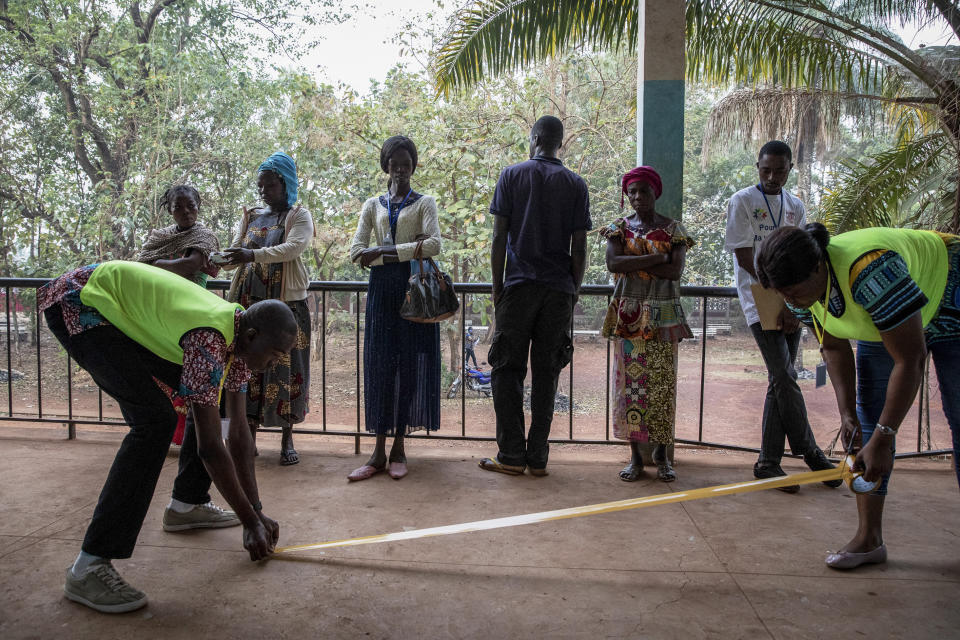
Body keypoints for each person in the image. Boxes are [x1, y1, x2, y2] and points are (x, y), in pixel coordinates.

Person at [38, 260, 294, 613]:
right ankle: (89, 566)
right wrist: (249, 522)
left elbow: (237, 434)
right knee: (154, 422)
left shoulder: (238, 340)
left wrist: (257, 511)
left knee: (208, 401)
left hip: (109, 305)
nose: (276, 362)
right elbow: (209, 447)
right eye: (276, 353)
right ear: (253, 337)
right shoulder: (210, 339)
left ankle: (186, 504)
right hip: (81, 302)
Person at [756, 223, 960, 569]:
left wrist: (886, 434)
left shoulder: (871, 273)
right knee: (867, 420)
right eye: (782, 293)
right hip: (887, 314)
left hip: (950, 291)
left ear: (818, 267)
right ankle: (869, 539)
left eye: (791, 291)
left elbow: (910, 359)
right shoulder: (800, 292)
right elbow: (833, 346)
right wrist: (847, 413)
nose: (788, 300)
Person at [724, 140, 838, 492]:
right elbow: (744, 256)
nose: (772, 177)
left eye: (780, 170)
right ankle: (810, 451)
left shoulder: (796, 206)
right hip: (759, 297)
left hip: (792, 297)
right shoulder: (742, 201)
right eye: (766, 170)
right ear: (757, 166)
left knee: (781, 378)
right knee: (784, 375)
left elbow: (802, 256)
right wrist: (778, 295)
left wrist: (792, 305)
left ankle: (768, 463)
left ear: (790, 169)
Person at [479, 115, 590, 477]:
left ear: (535, 138)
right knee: (548, 372)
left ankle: (511, 454)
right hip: (558, 291)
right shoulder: (576, 184)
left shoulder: (511, 176)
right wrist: (572, 291)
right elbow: (580, 248)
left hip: (519, 287)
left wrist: (498, 290)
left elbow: (499, 238)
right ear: (559, 143)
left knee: (506, 370)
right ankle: (538, 457)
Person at [137, 184, 239, 531]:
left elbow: (191, 264)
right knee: (203, 406)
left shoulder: (204, 235)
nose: (186, 212)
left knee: (204, 407)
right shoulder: (159, 236)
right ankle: (188, 501)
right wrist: (172, 263)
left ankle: (189, 498)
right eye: (179, 207)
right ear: (170, 210)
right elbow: (143, 263)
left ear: (199, 207)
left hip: (190, 319)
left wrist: (159, 265)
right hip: (168, 322)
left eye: (191, 206)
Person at [347, 135, 442, 481]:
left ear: (413, 166)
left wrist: (386, 253)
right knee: (381, 367)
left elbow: (434, 244)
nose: (400, 169)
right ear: (385, 165)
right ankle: (377, 452)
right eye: (394, 163)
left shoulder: (425, 202)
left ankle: (400, 446)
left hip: (413, 290)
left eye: (406, 164)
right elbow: (357, 250)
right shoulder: (373, 204)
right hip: (382, 293)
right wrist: (403, 248)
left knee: (408, 369)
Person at [600, 166, 694, 483]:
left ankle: (662, 457)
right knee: (631, 388)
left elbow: (675, 273)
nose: (638, 197)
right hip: (629, 316)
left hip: (663, 317)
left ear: (655, 192)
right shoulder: (619, 228)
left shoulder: (674, 230)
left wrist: (634, 261)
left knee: (662, 388)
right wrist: (657, 258)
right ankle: (636, 459)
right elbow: (614, 263)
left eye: (643, 191)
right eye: (632, 192)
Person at [222, 151, 314, 466]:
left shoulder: (298, 215)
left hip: (287, 304)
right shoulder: (250, 214)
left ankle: (287, 439)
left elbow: (293, 249)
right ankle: (248, 436)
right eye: (261, 186)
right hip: (249, 301)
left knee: (288, 369)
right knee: (246, 365)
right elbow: (239, 246)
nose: (264, 192)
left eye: (271, 185)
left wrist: (251, 256)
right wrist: (229, 256)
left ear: (286, 183)